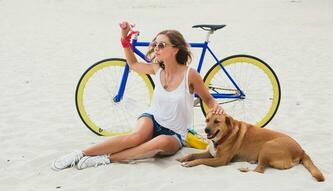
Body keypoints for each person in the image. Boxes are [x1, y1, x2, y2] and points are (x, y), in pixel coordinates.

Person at [51, 22, 224, 170]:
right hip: (153, 118)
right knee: (136, 137)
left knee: (160, 142)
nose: (156, 48)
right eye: (155, 44)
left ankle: (106, 158)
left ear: (175, 50)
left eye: (162, 45)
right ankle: (79, 154)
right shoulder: (157, 69)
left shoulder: (190, 75)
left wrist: (215, 106)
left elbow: (207, 99)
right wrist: (124, 39)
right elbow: (133, 64)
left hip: (176, 134)